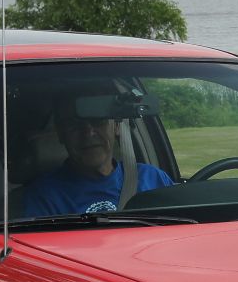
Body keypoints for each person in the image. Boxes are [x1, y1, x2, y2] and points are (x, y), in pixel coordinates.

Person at [22, 89, 173, 217]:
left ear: (116, 127)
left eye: (98, 121)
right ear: (61, 134)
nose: (88, 133)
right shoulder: (44, 196)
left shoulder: (153, 178)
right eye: (75, 125)